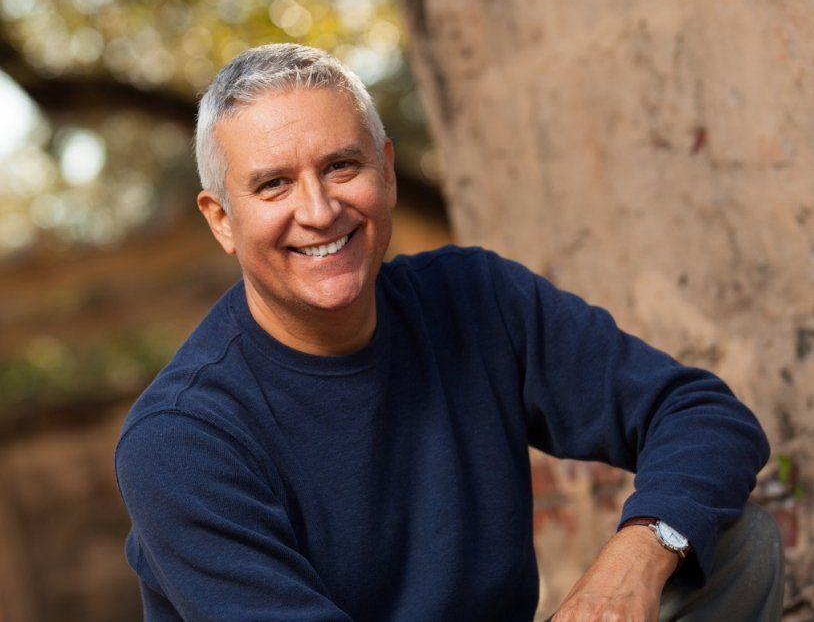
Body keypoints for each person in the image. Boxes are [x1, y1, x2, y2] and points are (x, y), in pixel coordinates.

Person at [115, 43, 784, 622]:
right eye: (274, 185)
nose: (318, 210)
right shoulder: (181, 440)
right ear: (222, 218)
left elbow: (702, 415)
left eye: (341, 166)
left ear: (387, 170)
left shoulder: (475, 300)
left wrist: (638, 551)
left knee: (727, 544)